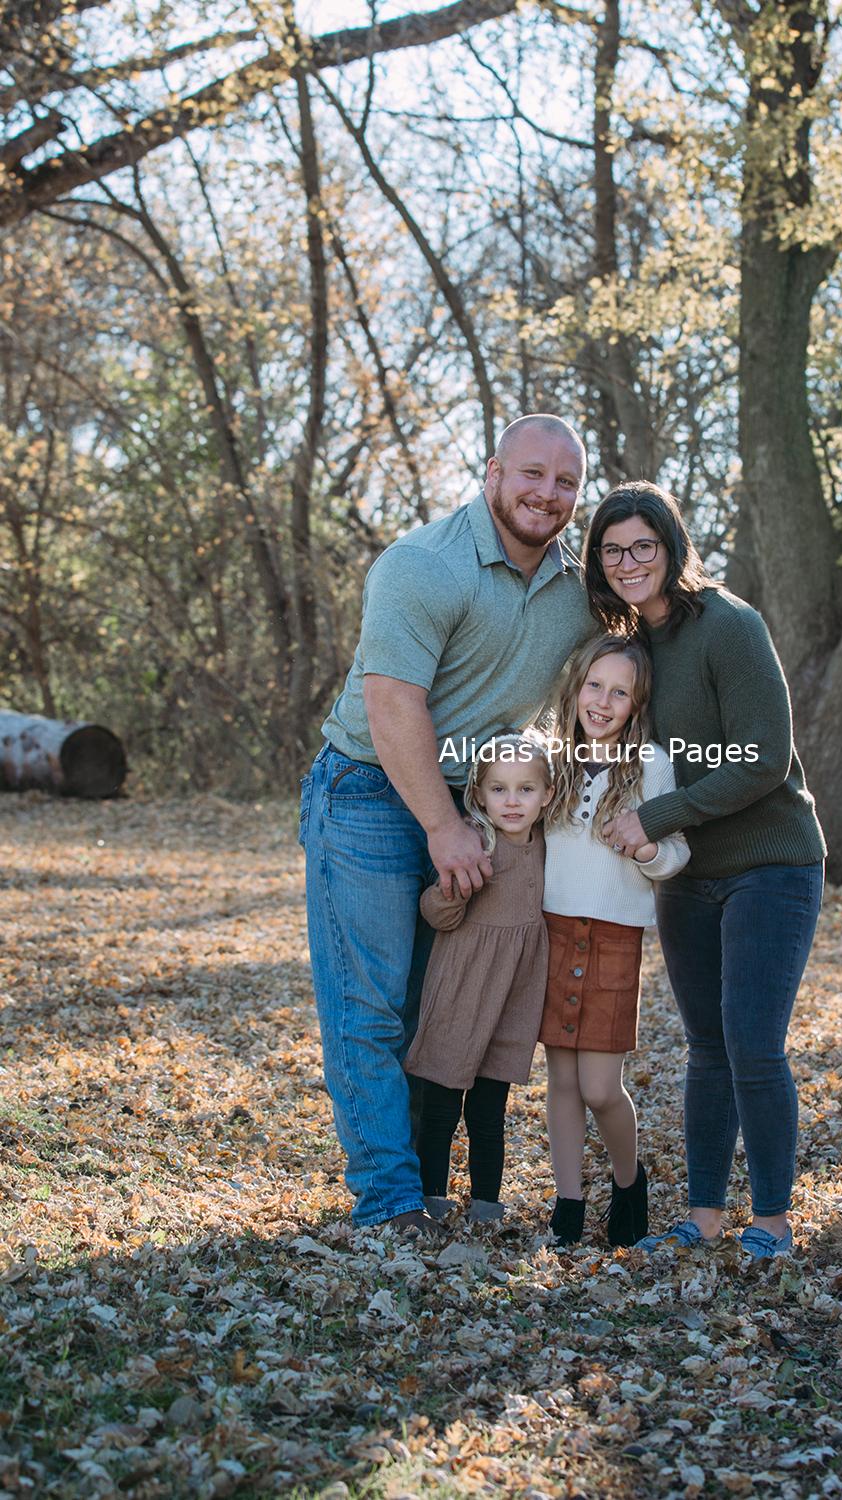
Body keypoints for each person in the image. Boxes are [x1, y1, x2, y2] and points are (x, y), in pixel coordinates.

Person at [299, 415, 593, 1231]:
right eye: (532, 473)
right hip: (367, 791)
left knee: (431, 1010)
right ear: (492, 472)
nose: (547, 493)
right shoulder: (423, 564)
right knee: (370, 1007)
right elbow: (392, 703)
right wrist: (442, 827)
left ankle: (419, 1182)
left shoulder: (578, 590)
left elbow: (632, 661)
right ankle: (390, 1202)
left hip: (473, 802)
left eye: (566, 481)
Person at [582, 481, 826, 1260]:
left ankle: (774, 1224)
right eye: (612, 551)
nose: (628, 562)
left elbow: (762, 758)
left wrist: (657, 817)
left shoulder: (729, 625)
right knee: (707, 1047)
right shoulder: (630, 648)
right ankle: (705, 1217)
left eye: (642, 546)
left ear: (671, 547)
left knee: (752, 1042)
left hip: (770, 864)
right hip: (686, 874)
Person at [539, 634, 690, 1248]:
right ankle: (569, 1203)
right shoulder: (550, 759)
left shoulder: (652, 764)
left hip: (613, 937)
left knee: (600, 1088)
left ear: (637, 703)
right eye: (594, 686)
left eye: (619, 692)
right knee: (562, 1081)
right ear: (575, 688)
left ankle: (629, 1181)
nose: (602, 702)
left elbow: (676, 853)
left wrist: (647, 848)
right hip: (552, 932)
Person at [404, 736, 553, 1223]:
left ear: (547, 795)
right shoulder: (476, 842)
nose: (512, 801)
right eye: (499, 789)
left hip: (513, 996)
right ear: (479, 795)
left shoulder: (550, 846)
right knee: (442, 1104)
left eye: (526, 788)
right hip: (462, 988)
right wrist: (455, 889)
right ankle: (432, 1198)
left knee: (489, 1109)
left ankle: (487, 1204)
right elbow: (436, 914)